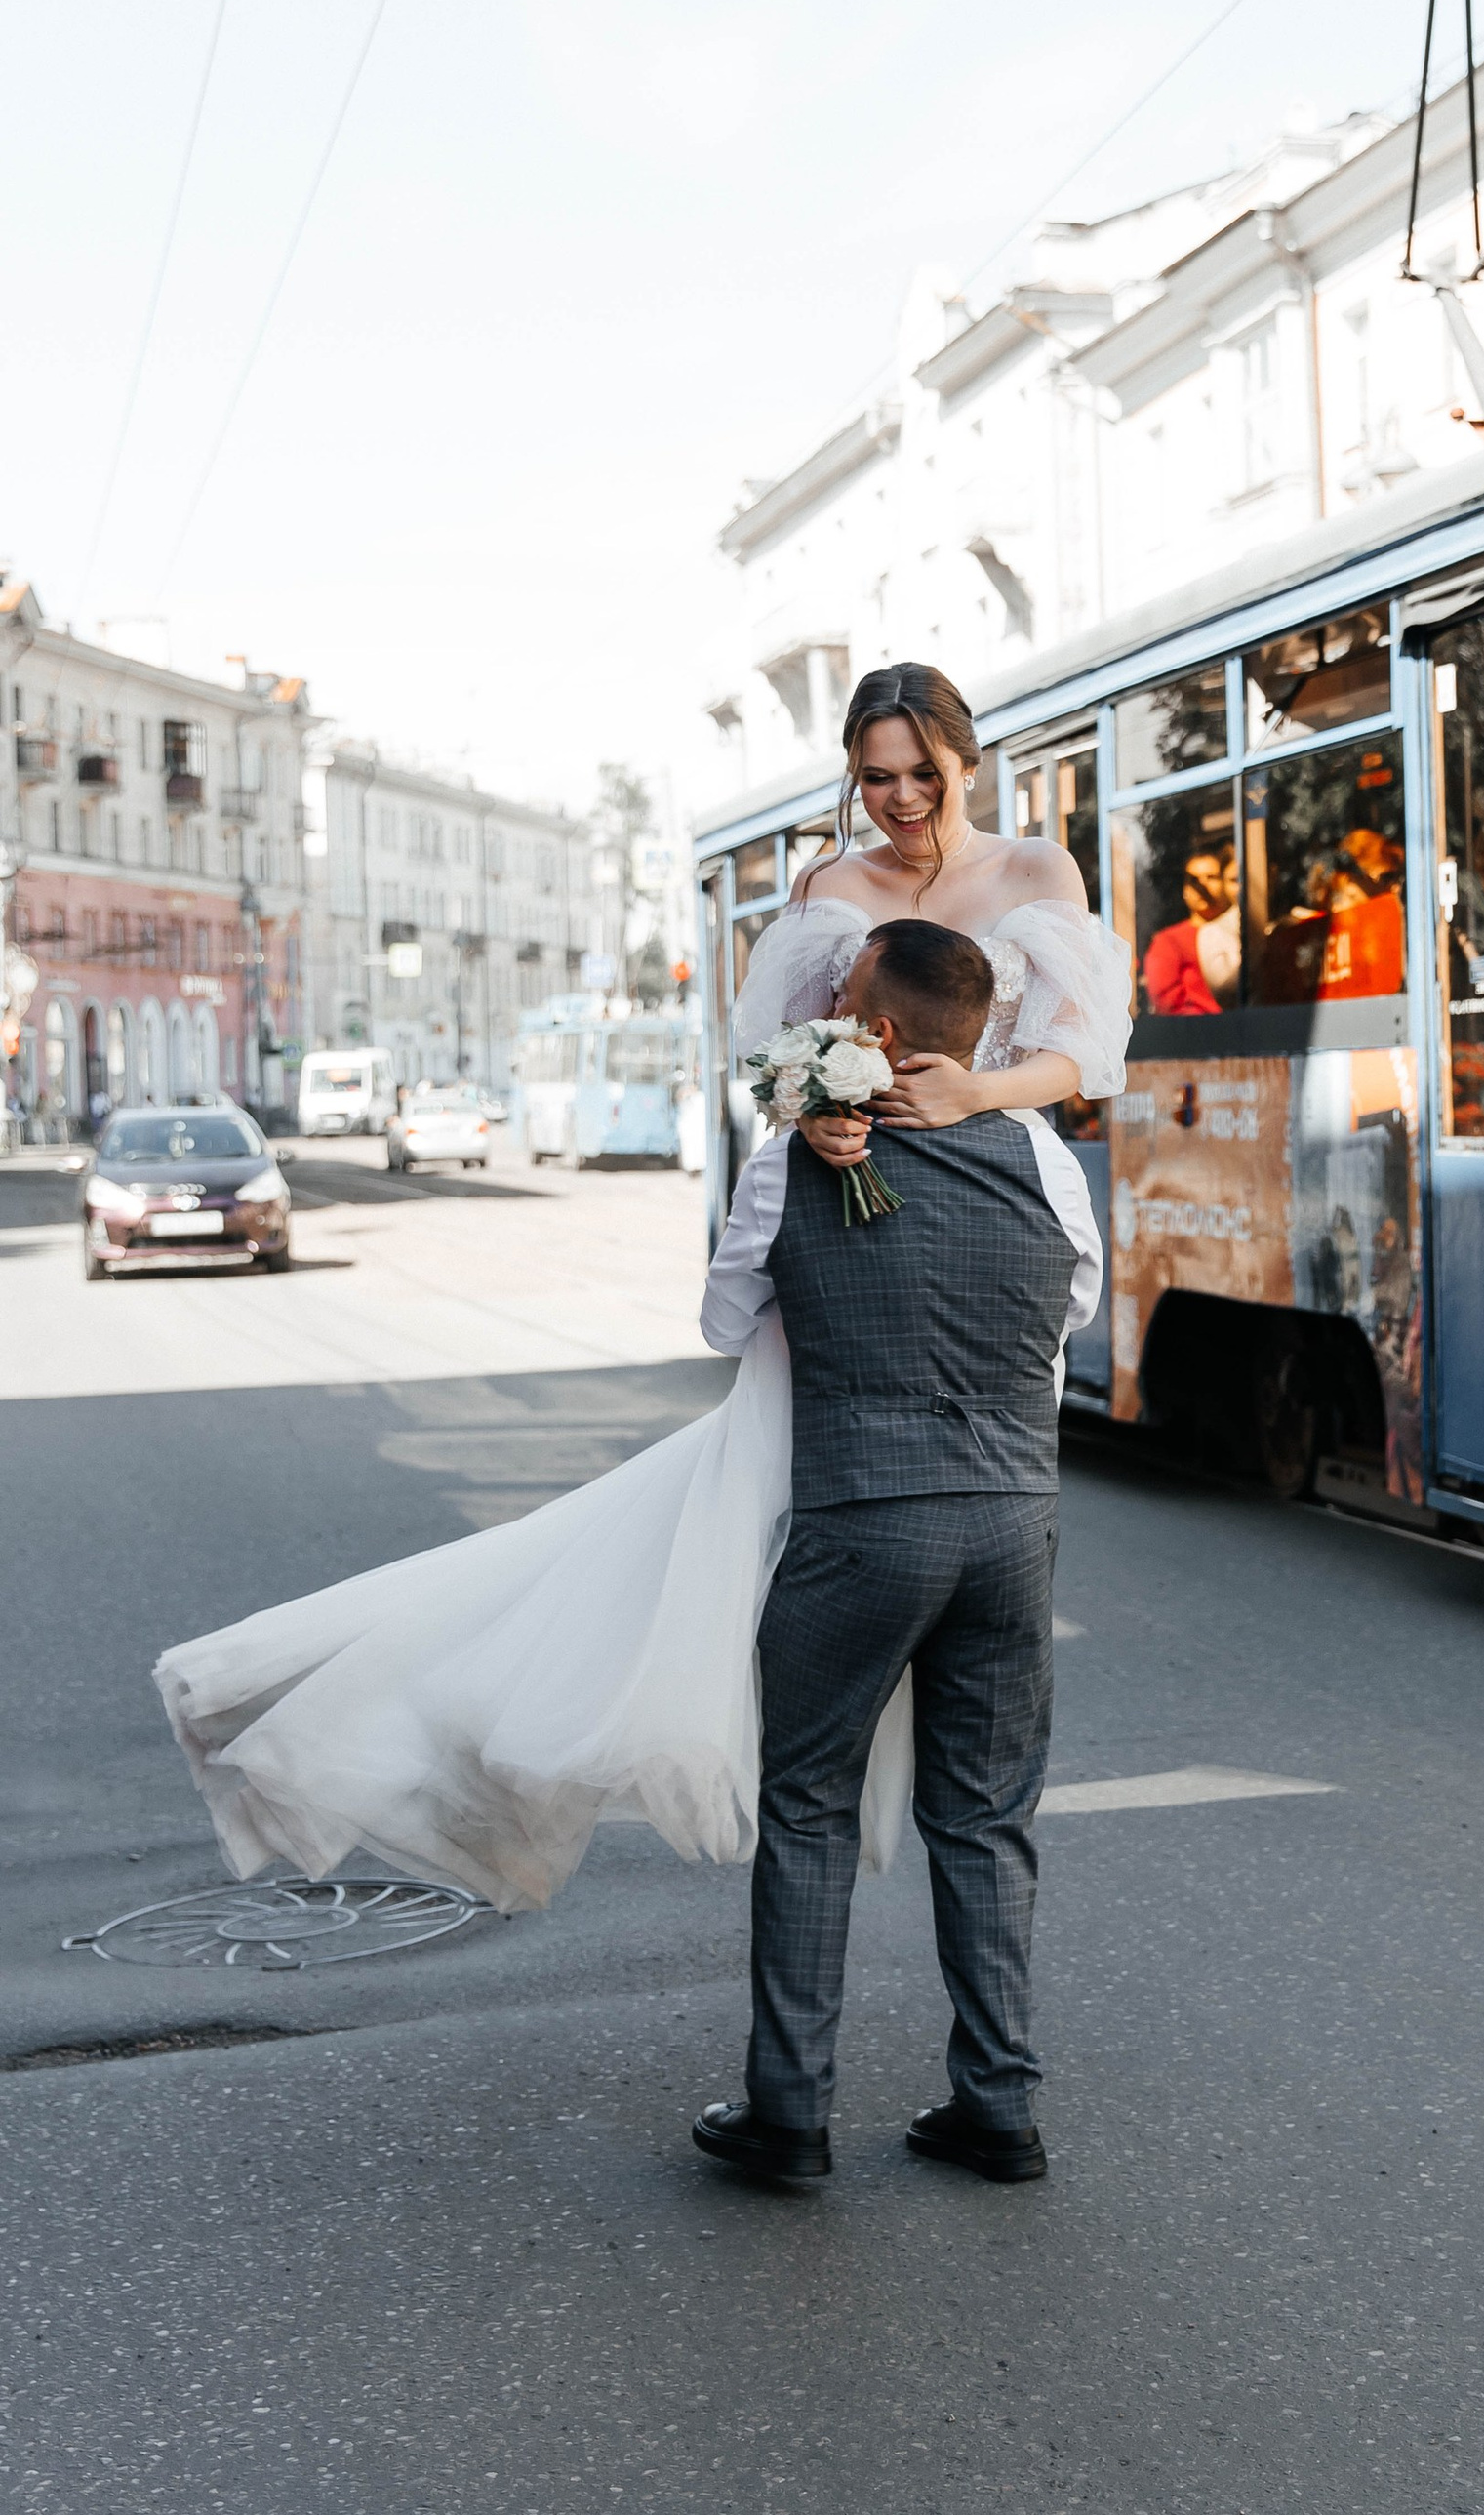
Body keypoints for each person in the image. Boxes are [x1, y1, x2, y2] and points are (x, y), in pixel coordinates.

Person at [154, 662, 1132, 1967]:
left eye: (921, 772)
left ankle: (821, 2036)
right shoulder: (829, 896)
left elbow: (1087, 1057)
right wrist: (823, 1116)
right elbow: (777, 1071)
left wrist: (976, 1089)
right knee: (766, 1550)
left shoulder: (1038, 879)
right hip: (849, 1227)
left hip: (983, 1201)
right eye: (874, 777)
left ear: (968, 756)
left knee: (874, 1549)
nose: (899, 799)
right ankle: (440, 1730)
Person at [690, 918, 1100, 2192]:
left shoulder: (791, 1163)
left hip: (862, 1523)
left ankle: (790, 2116)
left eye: (844, 994)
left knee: (808, 1804)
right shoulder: (1040, 1155)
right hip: (1012, 1526)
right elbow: (1070, 1308)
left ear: (872, 1032)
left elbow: (720, 1323)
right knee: (984, 1818)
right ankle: (998, 2107)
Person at [1140, 845, 1238, 1015]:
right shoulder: (1168, 941)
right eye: (1194, 880)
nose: (1203, 885)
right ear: (1185, 889)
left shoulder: (1241, 932)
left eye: (1211, 877)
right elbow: (1168, 1003)